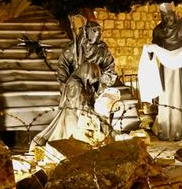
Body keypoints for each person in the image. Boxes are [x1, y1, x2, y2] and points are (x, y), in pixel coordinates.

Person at [31, 20, 117, 149]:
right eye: (94, 31)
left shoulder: (103, 52)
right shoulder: (72, 49)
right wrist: (67, 86)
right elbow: (62, 68)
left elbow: (111, 72)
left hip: (95, 89)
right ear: (85, 31)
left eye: (99, 31)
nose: (97, 34)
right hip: (75, 88)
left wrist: (98, 79)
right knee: (75, 109)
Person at [138, 3, 182, 141]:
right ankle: (172, 128)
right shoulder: (158, 31)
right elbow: (155, 47)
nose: (168, 19)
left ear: (175, 13)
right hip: (167, 67)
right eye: (165, 16)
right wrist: (150, 52)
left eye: (170, 15)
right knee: (170, 94)